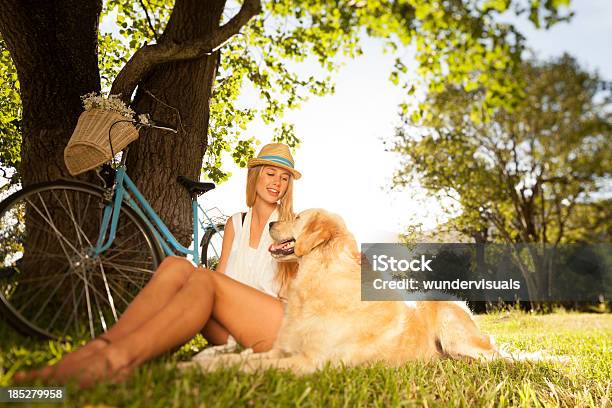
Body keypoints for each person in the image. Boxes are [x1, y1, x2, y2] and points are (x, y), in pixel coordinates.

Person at [14, 143, 300, 387]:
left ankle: (113, 361)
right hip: (229, 326)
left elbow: (303, 291)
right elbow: (223, 277)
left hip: (274, 326)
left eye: (284, 178)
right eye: (270, 173)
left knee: (204, 279)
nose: (276, 182)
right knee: (177, 265)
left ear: (288, 186)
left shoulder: (296, 227)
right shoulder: (235, 224)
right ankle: (98, 348)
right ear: (255, 177)